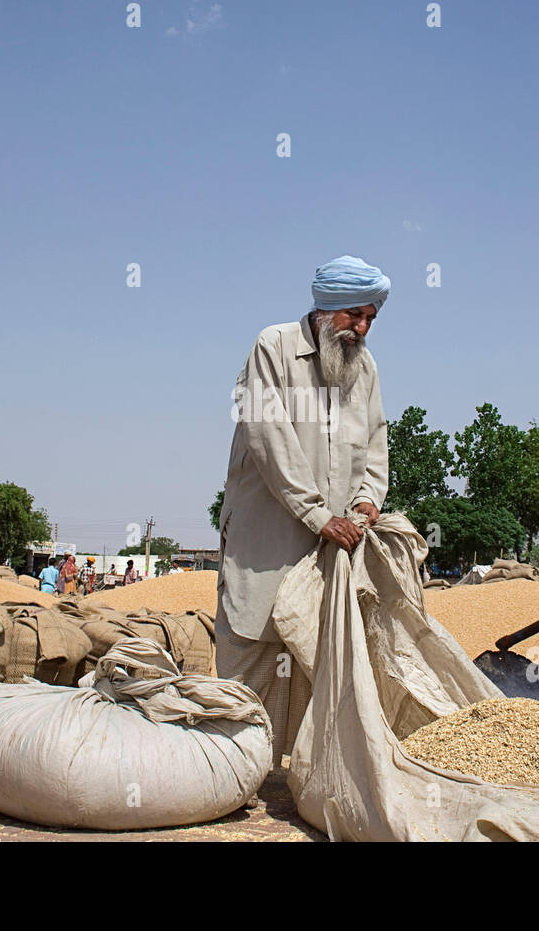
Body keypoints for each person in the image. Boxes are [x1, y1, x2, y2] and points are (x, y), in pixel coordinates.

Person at [217, 254, 390, 766]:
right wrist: (316, 514)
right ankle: (232, 765)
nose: (360, 328)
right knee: (254, 639)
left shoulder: (366, 367)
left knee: (317, 654)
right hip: (269, 535)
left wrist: (367, 498)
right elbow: (268, 437)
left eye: (369, 319)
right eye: (352, 315)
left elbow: (375, 440)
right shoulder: (272, 347)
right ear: (324, 310)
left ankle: (297, 771)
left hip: (333, 543)